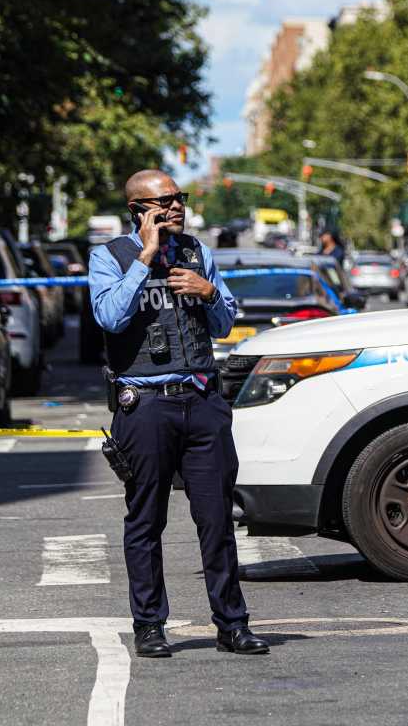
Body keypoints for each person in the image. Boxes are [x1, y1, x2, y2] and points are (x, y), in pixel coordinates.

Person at [88, 169, 269, 658]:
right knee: (145, 521)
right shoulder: (109, 257)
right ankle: (149, 625)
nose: (175, 207)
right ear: (137, 211)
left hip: (202, 400)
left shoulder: (197, 253)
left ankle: (232, 624)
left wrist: (207, 293)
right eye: (162, 201)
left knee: (216, 519)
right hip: (144, 406)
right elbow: (108, 316)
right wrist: (143, 259)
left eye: (178, 198)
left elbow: (228, 319)